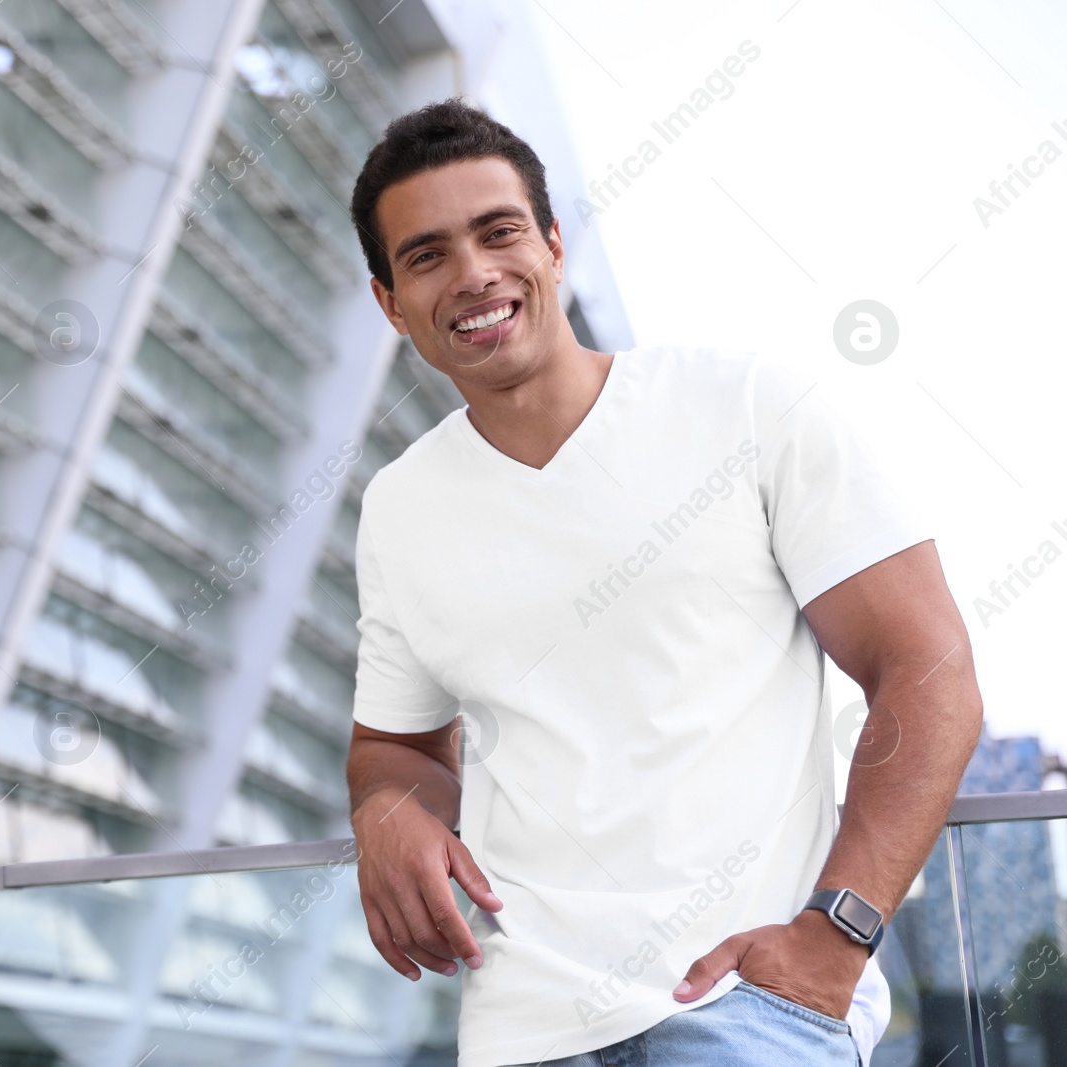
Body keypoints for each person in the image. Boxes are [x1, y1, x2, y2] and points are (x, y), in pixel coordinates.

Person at [343, 99, 983, 1067]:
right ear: (391, 302)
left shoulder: (747, 405)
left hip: (747, 1010)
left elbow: (927, 668)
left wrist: (835, 936)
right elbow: (393, 745)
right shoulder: (398, 506)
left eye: (498, 231)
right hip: (518, 1030)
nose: (472, 274)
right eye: (426, 255)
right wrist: (385, 808)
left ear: (554, 246)